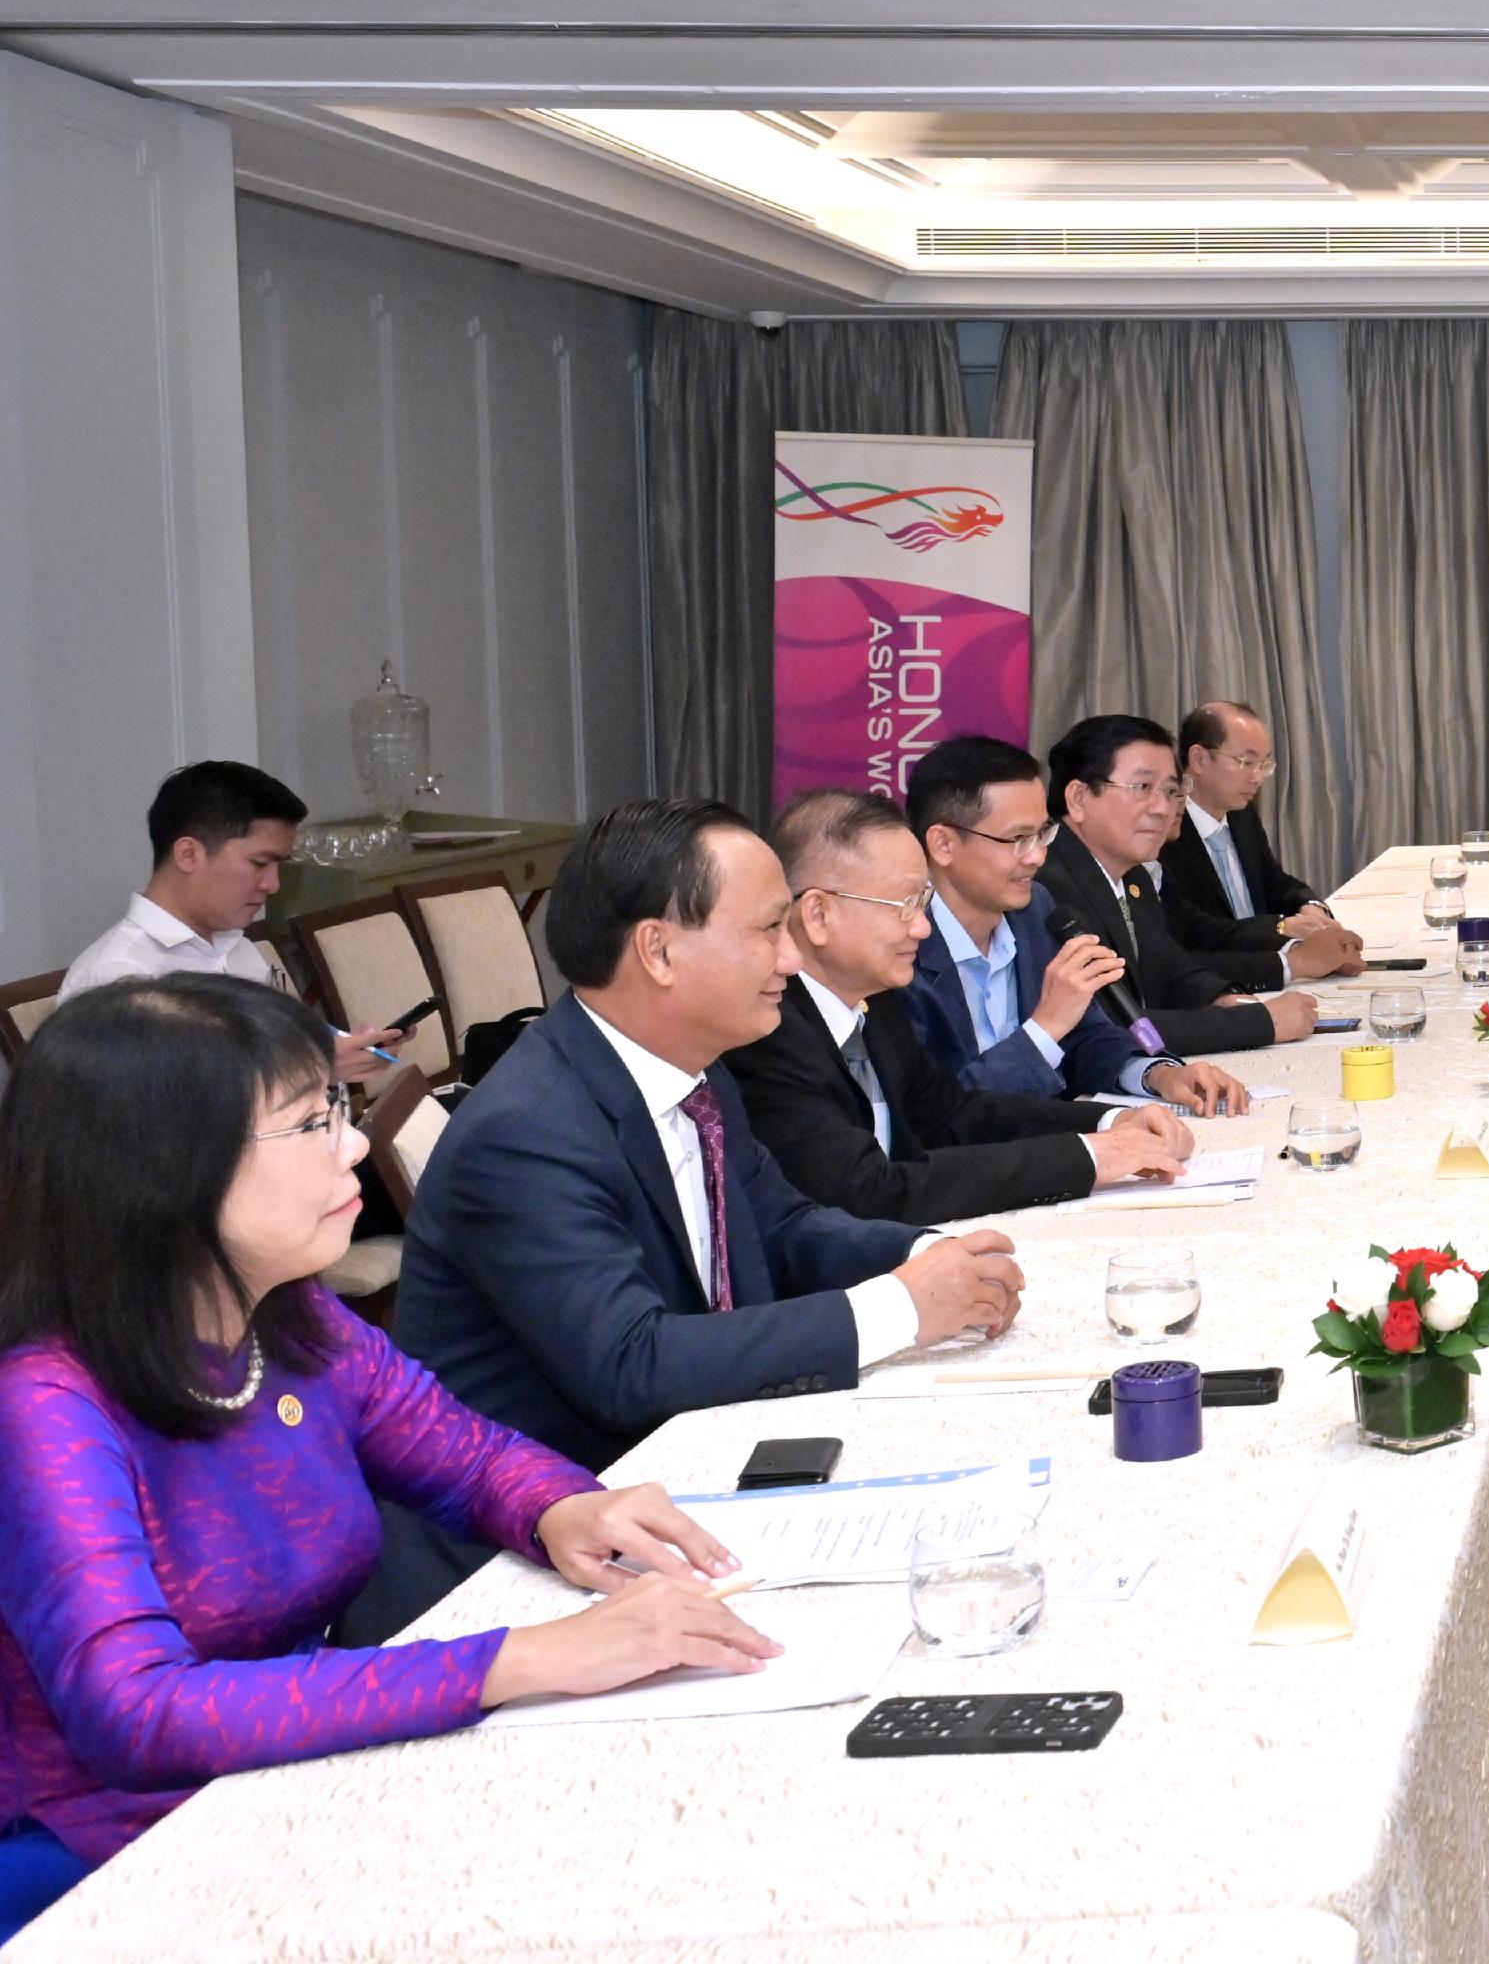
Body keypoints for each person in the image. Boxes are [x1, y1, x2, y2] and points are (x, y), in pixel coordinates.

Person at [0, 977, 781, 1939]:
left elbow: (465, 1456)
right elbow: (138, 1713)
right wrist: (521, 1659)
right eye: (308, 1124)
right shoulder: (46, 1408)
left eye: (339, 1108)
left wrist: (559, 1509)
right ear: (167, 1169)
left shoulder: (291, 1321)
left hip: (294, 1773)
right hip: (112, 1856)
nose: (358, 1144)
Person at [394, 800, 1029, 1475]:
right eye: (766, 929)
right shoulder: (526, 1134)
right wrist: (899, 1307)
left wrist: (929, 1255)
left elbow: (782, 1231)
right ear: (659, 951)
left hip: (692, 1458)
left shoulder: (699, 1076)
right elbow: (630, 1364)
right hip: (551, 1517)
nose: (791, 956)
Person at [722, 791, 1196, 1226]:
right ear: (819, 914)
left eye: (923, 901)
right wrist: (1089, 1157)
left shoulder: (876, 1003)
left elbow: (954, 1116)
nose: (923, 929)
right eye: (904, 904)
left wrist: (1111, 1122)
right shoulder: (766, 1033)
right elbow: (868, 1192)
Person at [902, 735, 1248, 1114]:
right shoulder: (903, 952)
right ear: (943, 845)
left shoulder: (1034, 909)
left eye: (1041, 833)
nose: (1037, 856)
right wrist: (1044, 1027)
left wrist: (1157, 1074)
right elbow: (936, 1115)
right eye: (1018, 839)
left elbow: (1086, 1038)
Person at [57, 763, 412, 1074]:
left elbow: (261, 1064)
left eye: (278, 866)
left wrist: (342, 1053)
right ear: (188, 854)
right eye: (260, 863)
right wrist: (311, 1069)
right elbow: (157, 1122)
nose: (272, 885)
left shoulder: (237, 948)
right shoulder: (117, 977)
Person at [1037, 716, 1321, 1058]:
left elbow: (1172, 969)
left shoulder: (1133, 875)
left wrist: (1224, 997)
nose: (1162, 808)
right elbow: (1106, 1023)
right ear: (1079, 797)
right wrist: (1257, 1023)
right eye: (1142, 788)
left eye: (1171, 791)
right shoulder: (1046, 888)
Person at [1159, 700, 1362, 972]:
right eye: (1247, 762)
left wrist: (1311, 907)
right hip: (1219, 977)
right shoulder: (1163, 833)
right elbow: (1193, 931)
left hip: (1268, 963)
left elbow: (1274, 882)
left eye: (1264, 764)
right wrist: (1282, 927)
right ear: (1199, 759)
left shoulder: (1241, 815)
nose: (1257, 777)